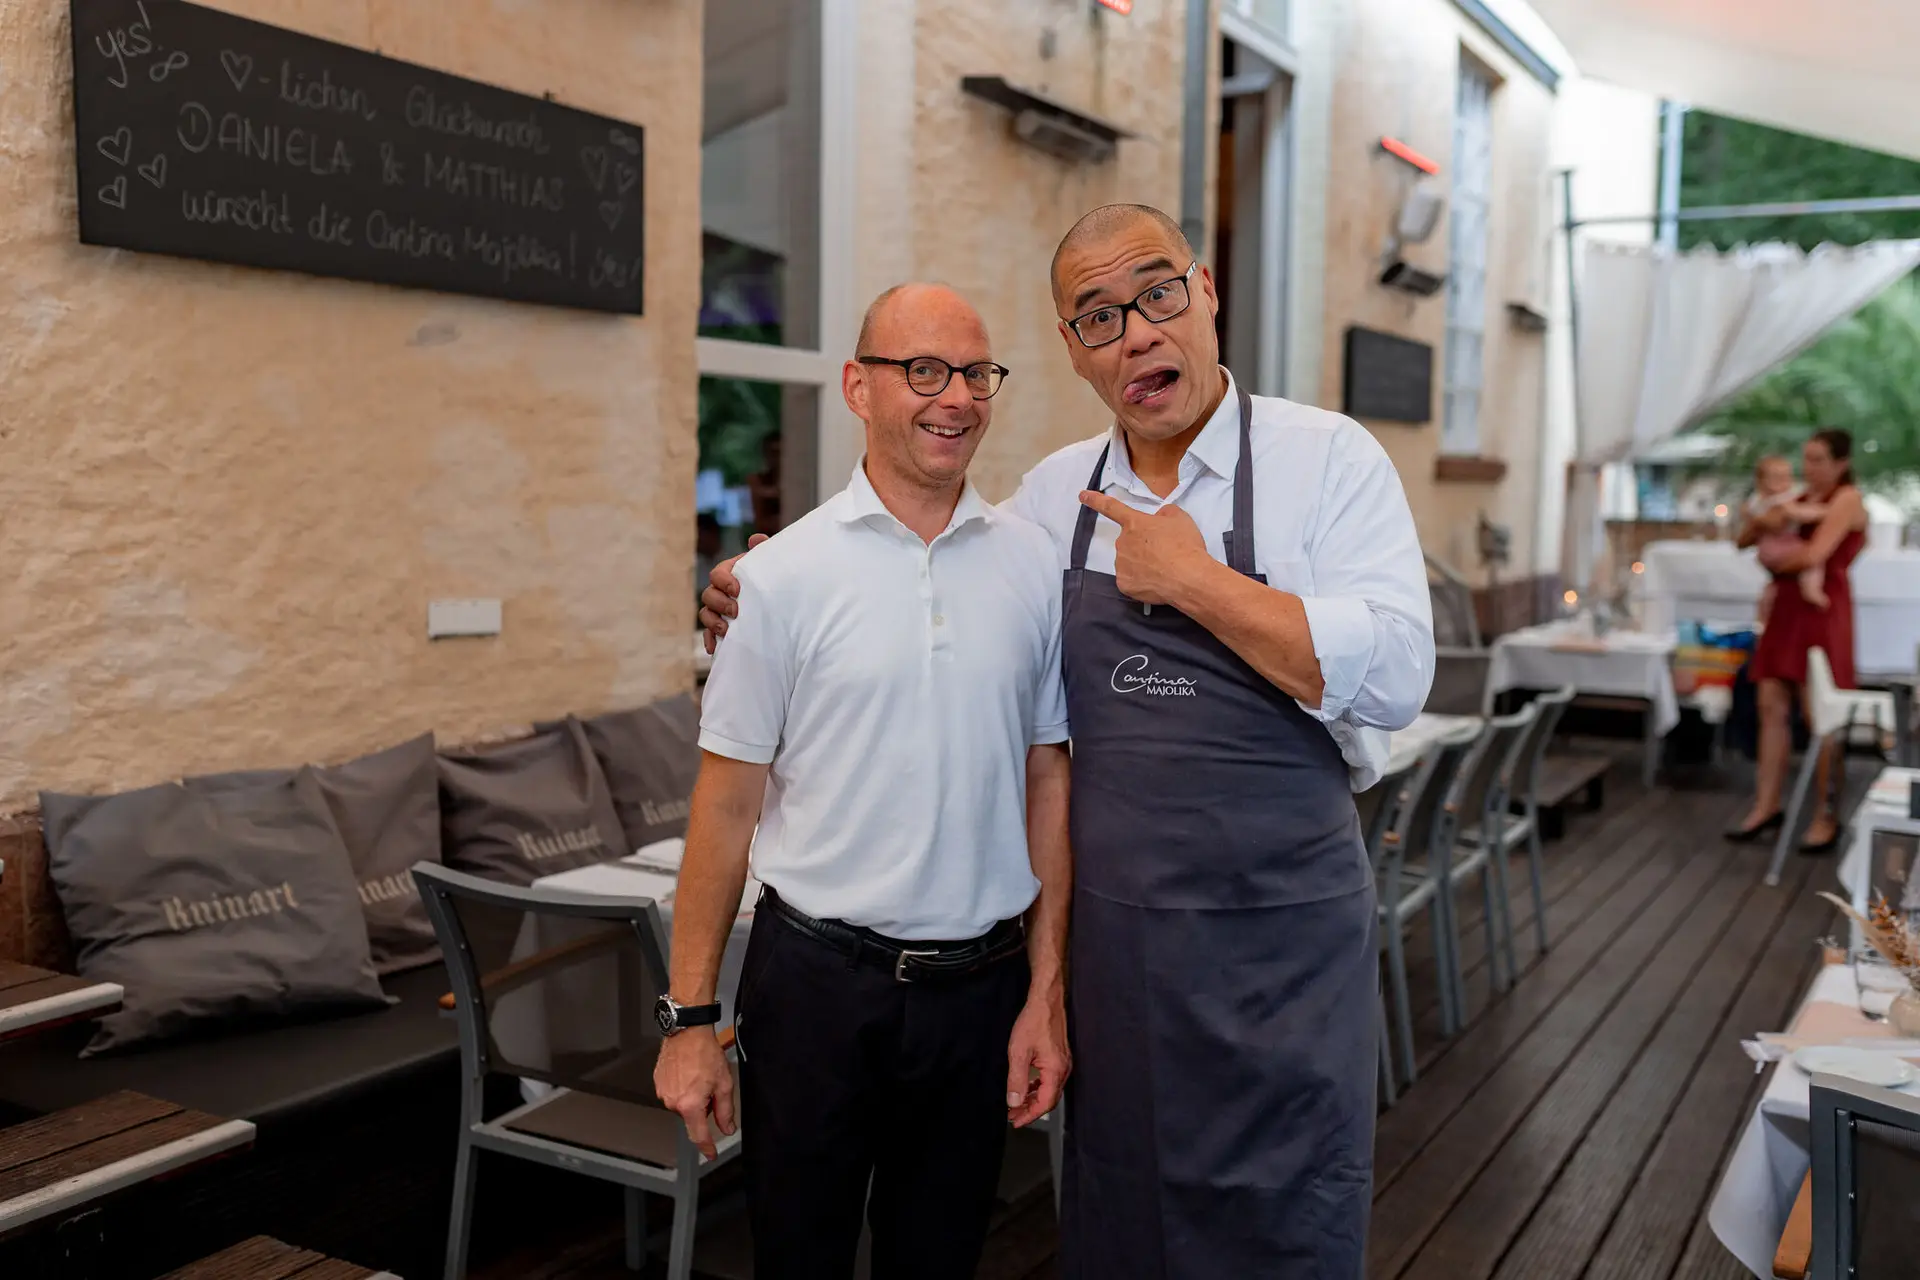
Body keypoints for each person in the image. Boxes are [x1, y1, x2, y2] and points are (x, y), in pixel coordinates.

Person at [702, 204, 1433, 1277]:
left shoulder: (1328, 461)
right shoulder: (1054, 499)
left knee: (1286, 1208)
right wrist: (755, 589)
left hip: (1278, 937)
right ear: (1073, 352)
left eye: (1156, 294)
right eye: (1097, 317)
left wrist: (1199, 583)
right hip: (1117, 949)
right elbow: (934, 562)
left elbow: (1400, 677)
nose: (1136, 332)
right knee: (1121, 1208)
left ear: (1207, 290)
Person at [654, 283, 1073, 1280]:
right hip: (815, 990)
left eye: (977, 372)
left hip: (980, 991)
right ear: (858, 386)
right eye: (924, 369)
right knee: (797, 1259)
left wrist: (1045, 993)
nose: (956, 397)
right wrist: (690, 1020)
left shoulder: (1033, 565)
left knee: (943, 1260)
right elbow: (723, 807)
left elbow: (1047, 776)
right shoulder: (778, 579)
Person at [1727, 427, 1869, 852]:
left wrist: (1773, 561)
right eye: (1806, 459)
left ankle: (1826, 814)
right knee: (1770, 703)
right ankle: (1766, 804)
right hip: (1786, 609)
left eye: (1819, 460)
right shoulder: (1797, 498)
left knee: (1819, 714)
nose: (1810, 468)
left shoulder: (1847, 499)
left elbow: (1813, 555)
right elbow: (1744, 538)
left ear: (1840, 463)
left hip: (1820, 610)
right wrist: (1763, 523)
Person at [1745, 454, 1828, 616]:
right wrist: (1823, 511)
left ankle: (1765, 605)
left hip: (1765, 550)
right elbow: (1800, 513)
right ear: (1762, 482)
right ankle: (1811, 588)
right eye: (1777, 478)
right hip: (1782, 546)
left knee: (1775, 581)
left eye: (1786, 477)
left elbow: (1750, 520)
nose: (1784, 483)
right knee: (1814, 559)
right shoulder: (1781, 501)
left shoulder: (1755, 501)